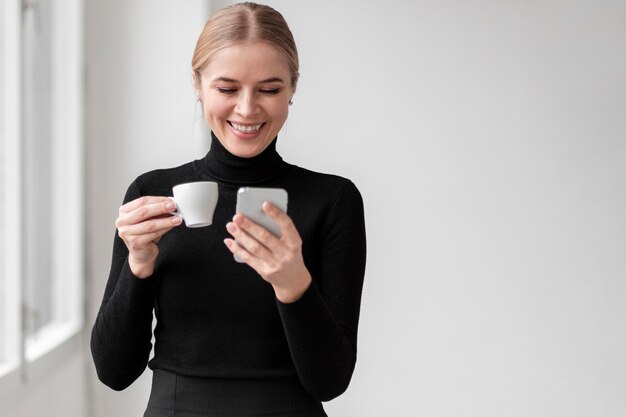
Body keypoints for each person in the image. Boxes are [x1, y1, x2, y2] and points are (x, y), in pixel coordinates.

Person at [91, 3, 366, 416]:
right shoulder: (151, 194)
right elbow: (114, 371)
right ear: (197, 85)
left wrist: (294, 285)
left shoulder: (332, 200)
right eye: (227, 89)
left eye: (269, 89)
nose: (247, 108)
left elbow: (330, 381)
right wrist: (138, 264)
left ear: (293, 87)